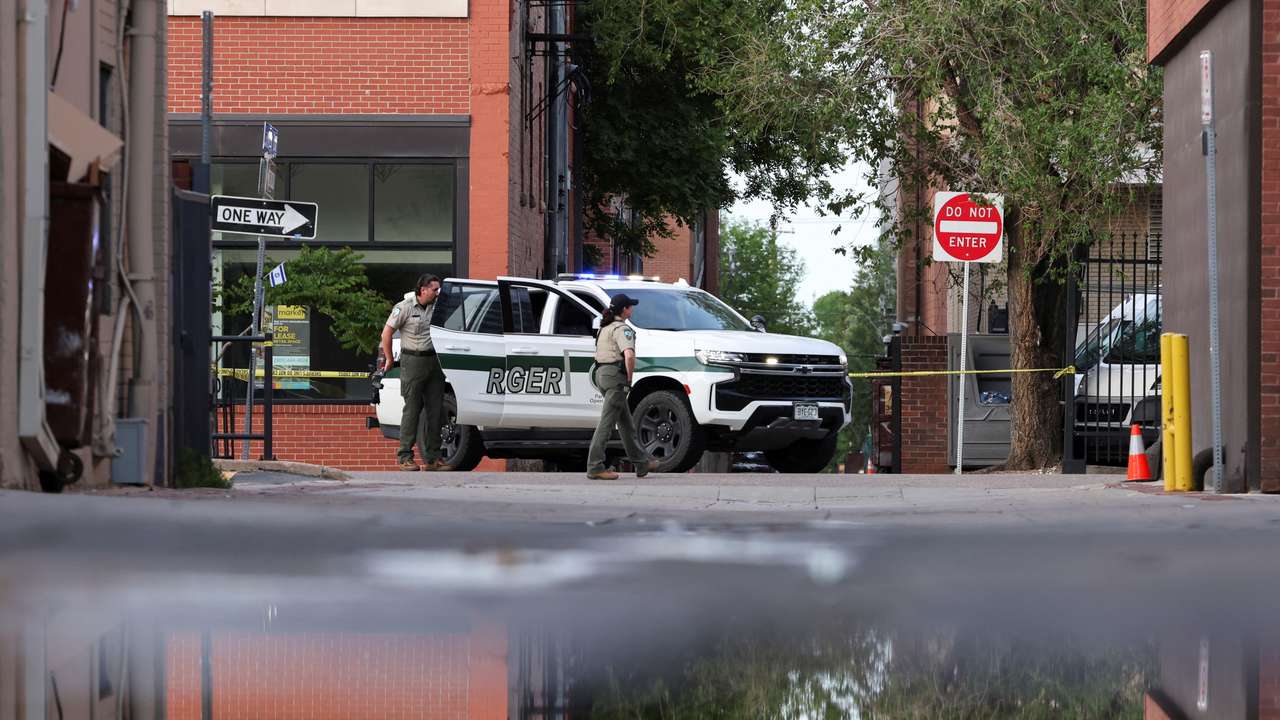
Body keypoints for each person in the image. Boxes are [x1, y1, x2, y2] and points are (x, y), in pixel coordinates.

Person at [379, 274, 452, 472]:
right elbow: (386, 333)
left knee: (435, 411)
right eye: (435, 289)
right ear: (423, 289)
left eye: (439, 289)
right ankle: (405, 457)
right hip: (412, 361)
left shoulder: (438, 308)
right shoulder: (404, 307)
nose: (438, 293)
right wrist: (389, 358)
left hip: (434, 362)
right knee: (411, 410)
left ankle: (433, 458)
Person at [586, 293, 659, 480]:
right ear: (624, 309)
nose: (632, 309)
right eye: (630, 306)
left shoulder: (605, 327)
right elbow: (629, 355)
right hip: (615, 378)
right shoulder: (622, 329)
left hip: (602, 375)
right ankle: (595, 466)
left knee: (626, 423)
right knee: (607, 423)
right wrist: (629, 379)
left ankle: (641, 463)